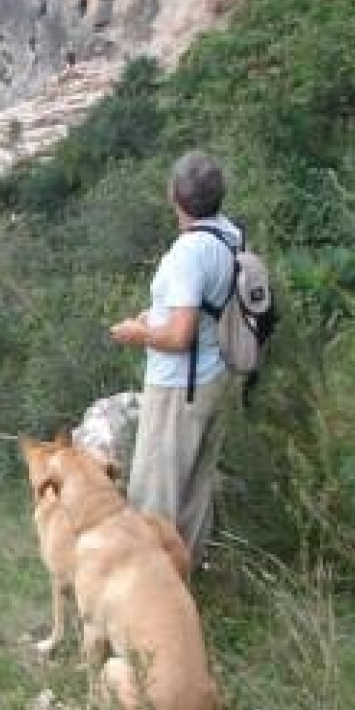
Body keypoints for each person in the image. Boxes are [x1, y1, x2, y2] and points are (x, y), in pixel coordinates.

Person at [109, 150, 240, 564]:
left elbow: (180, 335)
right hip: (215, 374)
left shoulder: (189, 253)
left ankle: (150, 590)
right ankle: (186, 579)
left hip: (179, 386)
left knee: (154, 495)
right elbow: (203, 306)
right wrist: (157, 315)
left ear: (174, 196)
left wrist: (139, 332)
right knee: (196, 488)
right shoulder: (228, 234)